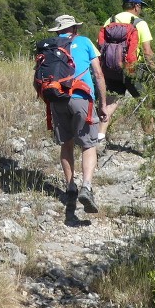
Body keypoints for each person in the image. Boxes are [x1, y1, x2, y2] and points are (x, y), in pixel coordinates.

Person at [44, 14, 107, 214]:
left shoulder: (49, 47)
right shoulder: (85, 42)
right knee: (89, 144)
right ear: (75, 29)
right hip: (81, 97)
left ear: (58, 31)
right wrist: (103, 104)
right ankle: (86, 187)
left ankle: (70, 187)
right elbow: (98, 74)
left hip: (57, 99)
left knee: (67, 144)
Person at [100, 0, 155, 140]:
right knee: (145, 104)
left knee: (111, 103)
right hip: (132, 70)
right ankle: (149, 141)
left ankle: (100, 136)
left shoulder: (109, 21)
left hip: (111, 69)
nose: (141, 9)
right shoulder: (139, 23)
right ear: (136, 6)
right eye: (140, 6)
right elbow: (147, 51)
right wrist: (154, 69)